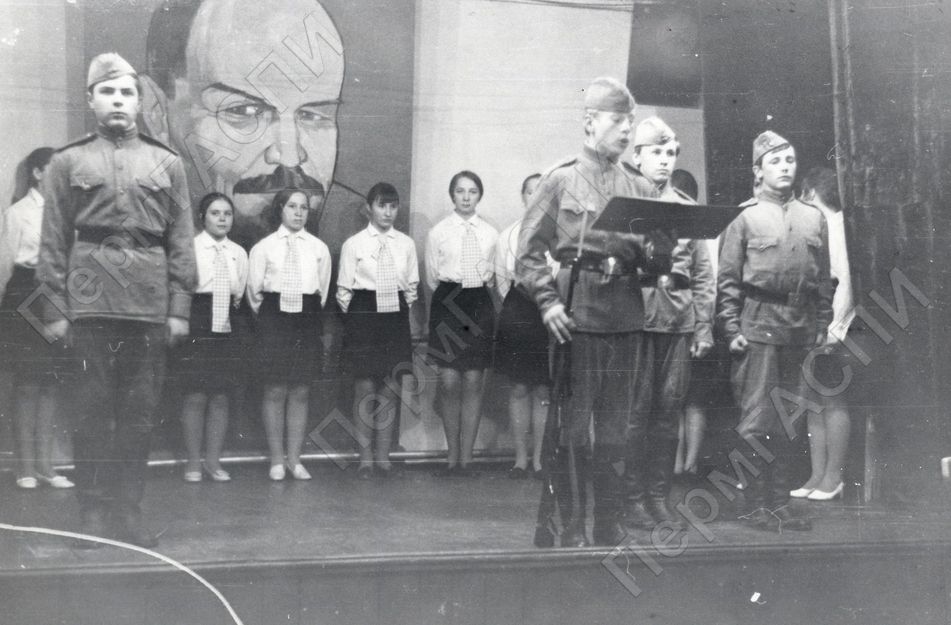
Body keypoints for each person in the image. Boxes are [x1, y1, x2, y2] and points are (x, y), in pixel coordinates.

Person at [37, 53, 197, 547]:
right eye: (107, 92)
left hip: (148, 309)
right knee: (89, 414)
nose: (118, 101)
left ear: (139, 101)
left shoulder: (168, 163)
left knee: (138, 417)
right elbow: (53, 241)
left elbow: (181, 239)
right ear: (91, 100)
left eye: (127, 92)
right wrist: (55, 311)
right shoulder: (67, 162)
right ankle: (92, 512)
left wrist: (179, 308)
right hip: (89, 308)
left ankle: (127, 512)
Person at [517, 77, 672, 547]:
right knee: (572, 428)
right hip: (577, 313)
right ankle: (568, 527)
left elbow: (653, 265)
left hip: (625, 314)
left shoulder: (639, 186)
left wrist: (663, 248)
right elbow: (528, 253)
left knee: (615, 431)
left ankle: (608, 523)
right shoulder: (560, 179)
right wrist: (547, 303)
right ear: (590, 122)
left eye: (630, 121)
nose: (627, 130)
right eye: (617, 120)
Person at [142, 0, 365, 253]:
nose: (290, 158)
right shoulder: (128, 245)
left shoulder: (359, 242)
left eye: (313, 117)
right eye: (244, 112)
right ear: (157, 113)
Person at [717, 131, 833, 532]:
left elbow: (823, 279)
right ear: (757, 170)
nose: (785, 167)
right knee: (756, 420)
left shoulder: (813, 217)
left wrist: (822, 324)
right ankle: (754, 505)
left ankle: (779, 504)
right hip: (758, 326)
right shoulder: (743, 216)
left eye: (790, 160)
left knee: (790, 420)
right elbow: (727, 279)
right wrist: (730, 327)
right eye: (775, 161)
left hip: (800, 328)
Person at [625, 117, 715, 529]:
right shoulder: (624, 204)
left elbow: (702, 274)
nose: (664, 160)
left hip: (676, 322)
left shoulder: (686, 209)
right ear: (637, 155)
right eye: (656, 152)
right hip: (633, 321)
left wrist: (703, 325)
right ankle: (631, 499)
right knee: (634, 414)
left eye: (670, 153)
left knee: (667, 413)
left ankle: (658, 497)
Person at [0, 147, 74, 490]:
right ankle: (24, 468)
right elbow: (5, 265)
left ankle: (46, 467)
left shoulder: (66, 212)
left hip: (56, 293)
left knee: (50, 384)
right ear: (38, 173)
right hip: (23, 295)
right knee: (28, 384)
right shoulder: (17, 213)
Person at [246, 188, 330, 481]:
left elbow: (321, 291)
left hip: (306, 319)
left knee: (300, 390)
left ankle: (295, 459)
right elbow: (254, 294)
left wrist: (305, 313)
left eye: (303, 207)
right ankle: (276, 460)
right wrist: (273, 319)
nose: (298, 212)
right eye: (292, 206)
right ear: (280, 209)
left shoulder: (318, 249)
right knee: (275, 389)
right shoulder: (264, 248)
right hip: (274, 319)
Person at [337, 183, 418, 479]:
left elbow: (411, 288)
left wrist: (397, 311)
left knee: (389, 388)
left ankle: (383, 457)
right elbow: (344, 291)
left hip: (394, 317)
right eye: (382, 205)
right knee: (364, 387)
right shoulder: (354, 244)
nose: (387, 212)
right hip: (363, 316)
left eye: (393, 206)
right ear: (368, 208)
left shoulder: (405, 244)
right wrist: (360, 318)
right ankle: (365, 459)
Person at [425, 170, 498, 476]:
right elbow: (432, 277)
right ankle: (451, 456)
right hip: (449, 303)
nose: (466, 197)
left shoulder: (490, 234)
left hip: (478, 303)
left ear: (479, 196)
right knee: (449, 381)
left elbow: (492, 277)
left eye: (472, 191)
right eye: (460, 191)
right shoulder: (438, 232)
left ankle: (467, 459)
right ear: (452, 195)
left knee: (473, 380)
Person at [792, 166, 854, 501]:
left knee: (831, 399)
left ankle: (833, 477)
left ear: (811, 194)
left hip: (836, 329)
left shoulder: (839, 227)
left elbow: (844, 283)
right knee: (813, 401)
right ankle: (817, 474)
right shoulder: (823, 226)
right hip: (816, 326)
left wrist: (833, 328)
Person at [177, 193, 248, 483]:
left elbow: (240, 293)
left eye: (227, 214)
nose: (222, 219)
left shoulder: (238, 253)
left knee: (220, 395)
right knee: (195, 394)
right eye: (215, 213)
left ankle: (213, 461)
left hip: (226, 324)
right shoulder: (190, 249)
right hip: (197, 320)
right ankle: (193, 462)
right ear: (202, 217)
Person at [493, 173, 551, 479]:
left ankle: (540, 459)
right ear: (523, 196)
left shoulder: (560, 234)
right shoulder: (508, 235)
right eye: (531, 192)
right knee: (518, 386)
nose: (536, 197)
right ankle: (520, 458)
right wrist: (520, 306)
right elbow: (503, 281)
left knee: (543, 387)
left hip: (549, 311)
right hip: (519, 311)